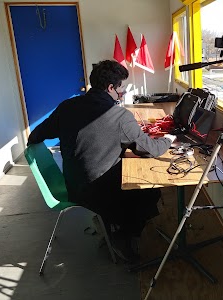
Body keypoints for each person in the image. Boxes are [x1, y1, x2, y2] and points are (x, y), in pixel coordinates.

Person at [28, 60, 176, 261]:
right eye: (121, 88)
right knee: (149, 190)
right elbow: (149, 150)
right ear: (110, 88)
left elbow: (35, 135)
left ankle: (110, 221)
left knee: (123, 170)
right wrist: (167, 140)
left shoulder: (67, 106)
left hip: (73, 184)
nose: (122, 93)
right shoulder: (119, 116)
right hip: (98, 193)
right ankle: (123, 236)